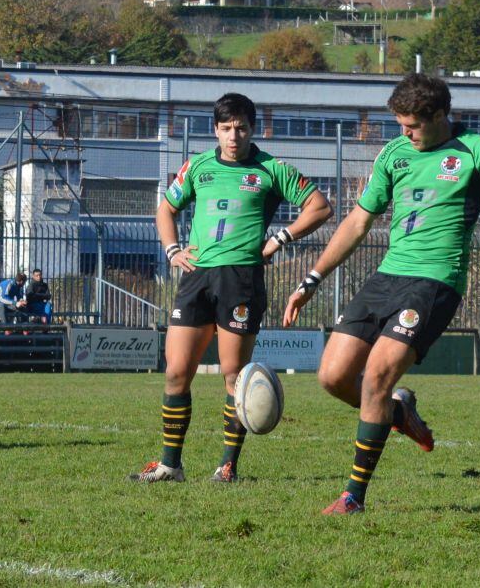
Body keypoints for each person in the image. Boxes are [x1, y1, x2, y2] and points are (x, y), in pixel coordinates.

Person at [283, 73, 480, 514]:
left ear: (439, 116)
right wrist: (311, 279)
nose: (404, 133)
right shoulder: (395, 153)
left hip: (434, 284)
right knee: (333, 377)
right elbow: (358, 222)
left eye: (412, 125)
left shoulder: (477, 150)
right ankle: (401, 414)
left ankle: (352, 497)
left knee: (377, 378)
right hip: (385, 279)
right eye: (399, 124)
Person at [131, 92, 332, 483]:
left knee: (232, 375)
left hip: (241, 279)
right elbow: (165, 209)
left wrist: (279, 240)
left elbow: (320, 207)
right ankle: (170, 465)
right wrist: (173, 250)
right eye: (226, 129)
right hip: (196, 276)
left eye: (241, 128)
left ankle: (227, 466)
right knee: (175, 372)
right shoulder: (198, 166)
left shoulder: (271, 169)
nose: (233, 136)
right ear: (216, 131)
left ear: (252, 129)